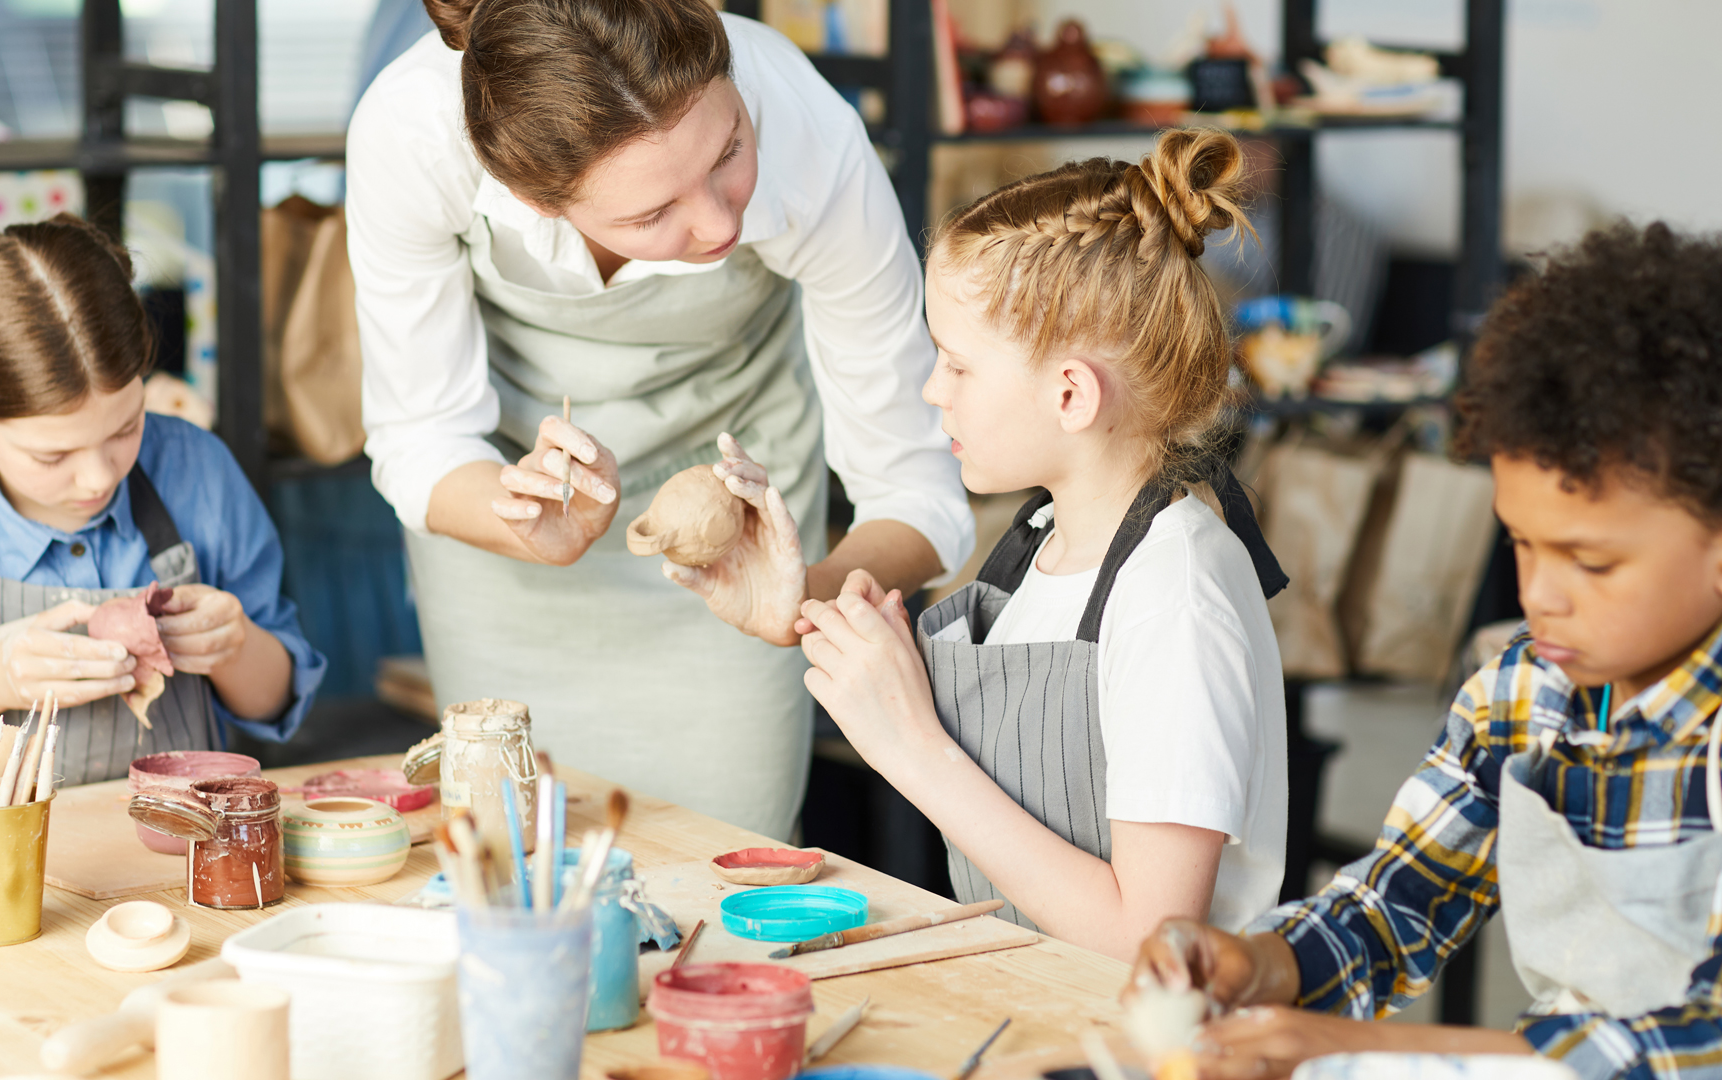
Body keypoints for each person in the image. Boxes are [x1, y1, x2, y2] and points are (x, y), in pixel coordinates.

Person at [348, 0, 971, 838]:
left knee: (728, 884)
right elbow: (420, 436)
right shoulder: (414, 130)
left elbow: (918, 485)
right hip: (505, 522)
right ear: (533, 197)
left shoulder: (804, 121)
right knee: (517, 864)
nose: (720, 221)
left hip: (743, 523)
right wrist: (524, 522)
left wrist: (798, 599)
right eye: (650, 215)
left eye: (731, 151)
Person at [1126, 221, 1722, 1080]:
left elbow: (1698, 1042)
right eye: (1521, 542)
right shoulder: (1526, 689)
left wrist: (1365, 1045)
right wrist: (1259, 963)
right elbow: (1398, 904)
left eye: (1591, 560)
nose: (1539, 594)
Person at [793, 130, 1290, 959]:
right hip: (1035, 1000)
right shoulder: (1043, 543)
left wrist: (912, 746)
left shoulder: (1173, 594)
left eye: (956, 365)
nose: (931, 389)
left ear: (1070, 394)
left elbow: (1149, 943)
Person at [0, 214, 327, 813]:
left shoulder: (197, 471)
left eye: (127, 427)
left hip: (180, 871)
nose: (100, 477)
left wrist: (236, 646)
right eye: (51, 454)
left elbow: (275, 701)